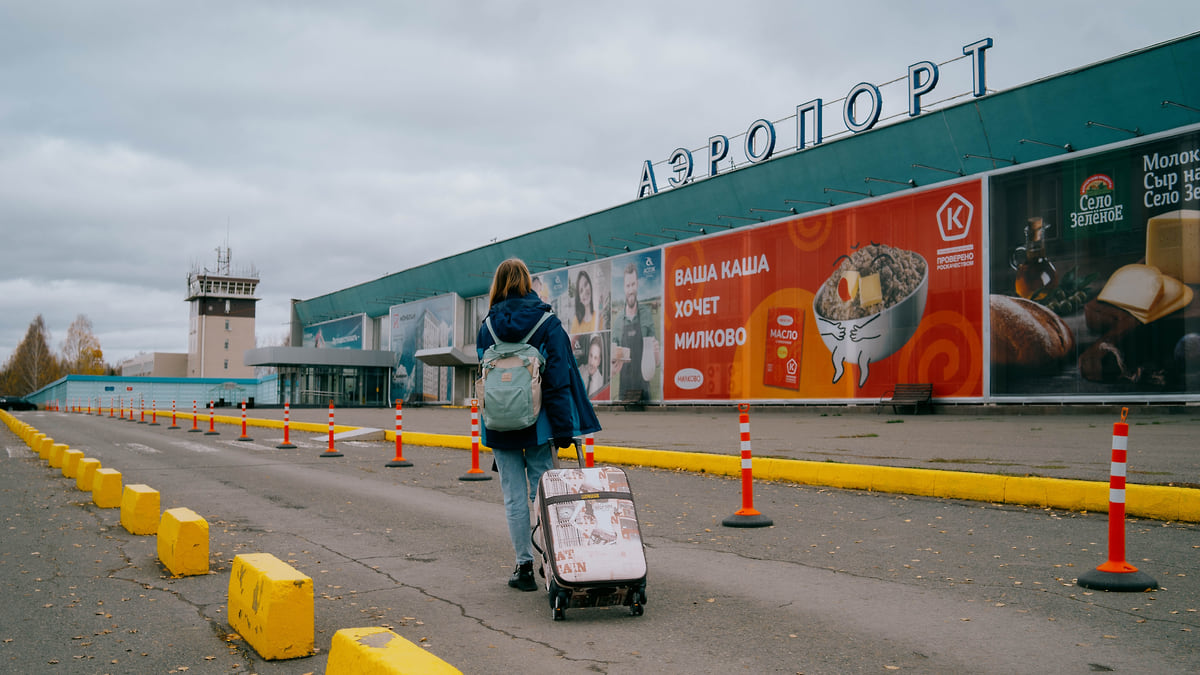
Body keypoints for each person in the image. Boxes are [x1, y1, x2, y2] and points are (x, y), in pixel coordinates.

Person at [477, 258, 602, 592]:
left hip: (498, 424)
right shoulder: (548, 323)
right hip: (539, 424)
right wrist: (563, 430)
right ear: (528, 283)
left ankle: (523, 567)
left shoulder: (486, 327)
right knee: (544, 493)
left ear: (498, 285)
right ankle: (554, 562)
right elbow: (558, 382)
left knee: (514, 497)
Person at [610, 262, 659, 401]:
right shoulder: (618, 320)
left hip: (644, 386)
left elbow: (656, 360)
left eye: (633, 285)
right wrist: (613, 361)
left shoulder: (647, 314)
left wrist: (656, 352)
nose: (630, 290)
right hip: (624, 388)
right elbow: (613, 357)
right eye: (627, 286)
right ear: (624, 287)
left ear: (637, 284)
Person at [578, 333, 605, 398]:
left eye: (595, 358)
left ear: (599, 361)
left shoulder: (601, 382)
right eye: (591, 355)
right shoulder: (580, 370)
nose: (591, 362)